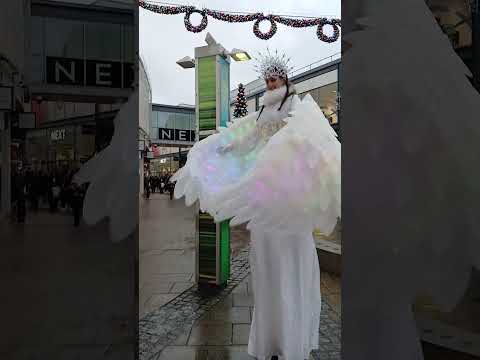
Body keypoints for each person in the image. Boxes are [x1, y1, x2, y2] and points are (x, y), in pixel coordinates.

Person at [172, 49, 341, 360]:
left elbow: (312, 141)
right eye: (267, 79)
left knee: (289, 259)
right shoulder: (262, 112)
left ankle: (291, 337)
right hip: (264, 192)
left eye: (274, 78)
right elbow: (247, 138)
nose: (270, 83)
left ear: (285, 79)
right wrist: (222, 148)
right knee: (266, 262)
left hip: (289, 195)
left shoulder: (299, 108)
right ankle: (272, 338)